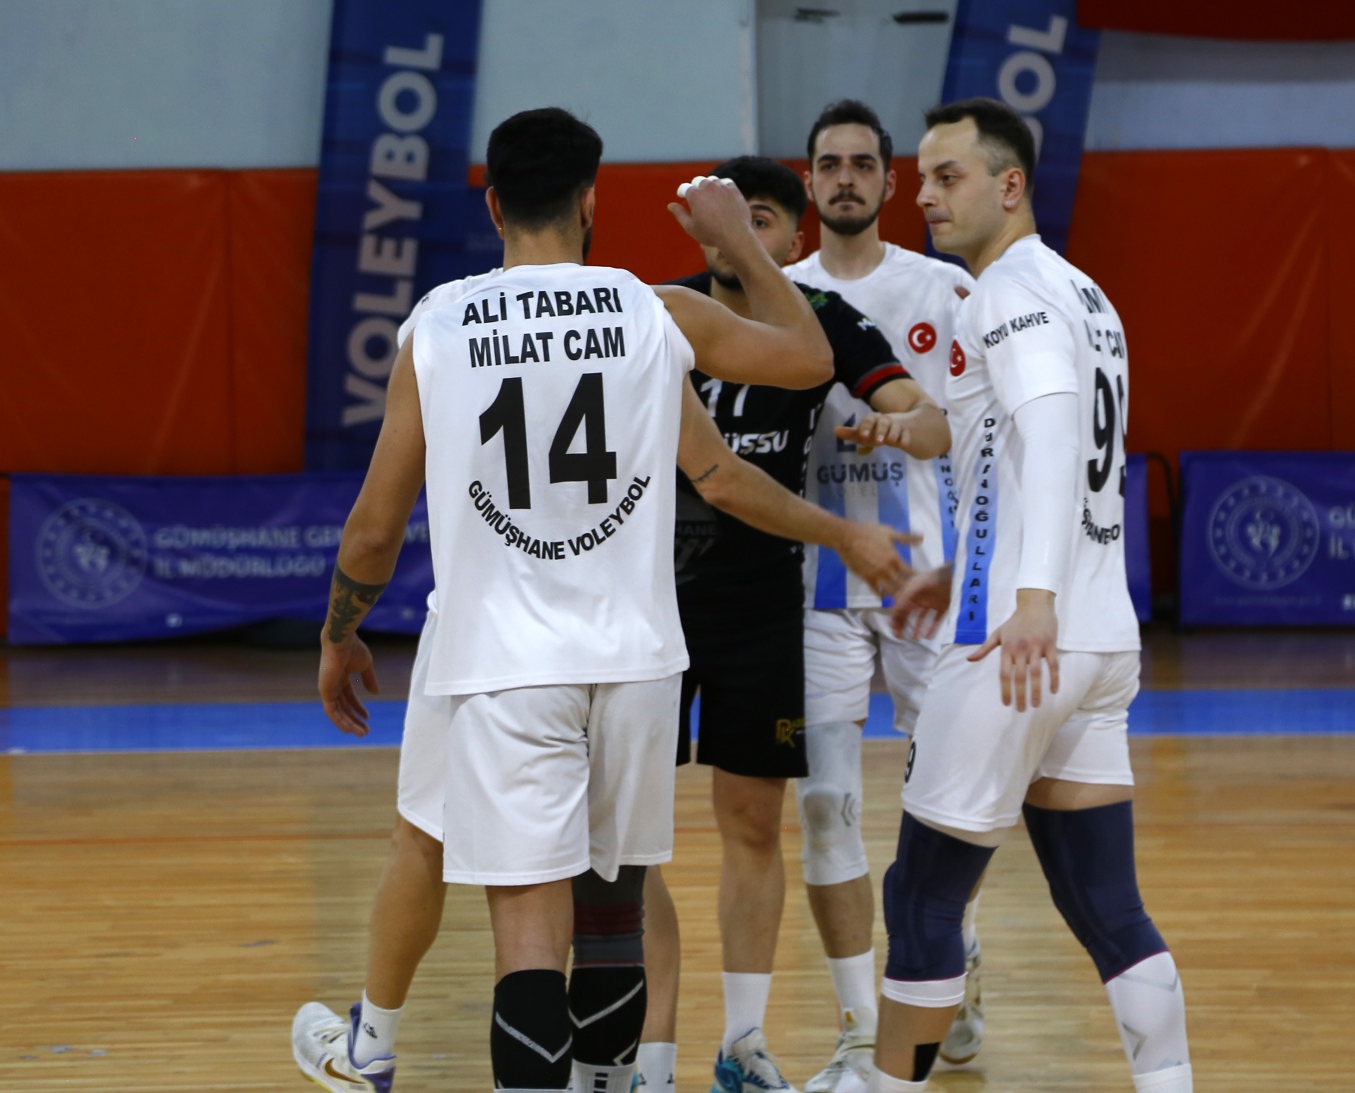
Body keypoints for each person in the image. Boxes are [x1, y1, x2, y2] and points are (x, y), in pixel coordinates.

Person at [289, 106, 916, 1093]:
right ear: (591, 201)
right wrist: (741, 246)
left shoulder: (440, 325)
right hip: (636, 662)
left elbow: (372, 529)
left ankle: (383, 1045)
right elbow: (808, 360)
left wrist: (340, 631)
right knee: (614, 915)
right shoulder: (649, 310)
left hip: (508, 664)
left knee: (529, 938)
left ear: (492, 205)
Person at [865, 98, 1193, 1093]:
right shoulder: (1083, 292)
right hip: (1097, 641)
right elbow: (1016, 457)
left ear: (1010, 185)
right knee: (1104, 904)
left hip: (1018, 641)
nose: (925, 197)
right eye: (921, 178)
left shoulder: (1007, 291)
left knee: (922, 894)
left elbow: (1050, 434)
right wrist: (969, 568)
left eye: (947, 176)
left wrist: (1031, 594)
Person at [639, 155, 949, 1093]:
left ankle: (744, 1043)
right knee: (630, 831)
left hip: (761, 600)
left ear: (790, 238)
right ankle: (649, 1055)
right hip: (651, 598)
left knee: (754, 820)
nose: (739, 236)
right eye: (728, 219)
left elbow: (925, 416)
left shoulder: (824, 322)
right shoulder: (657, 313)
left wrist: (897, 427)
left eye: (762, 220)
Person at [779, 100, 982, 1091]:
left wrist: (905, 429)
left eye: (863, 163)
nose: (847, 178)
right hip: (816, 591)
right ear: (808, 180)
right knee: (824, 804)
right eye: (831, 164)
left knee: (943, 800)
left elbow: (970, 432)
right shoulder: (776, 297)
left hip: (925, 584)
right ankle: (861, 1029)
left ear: (888, 181)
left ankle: (952, 952)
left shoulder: (943, 289)